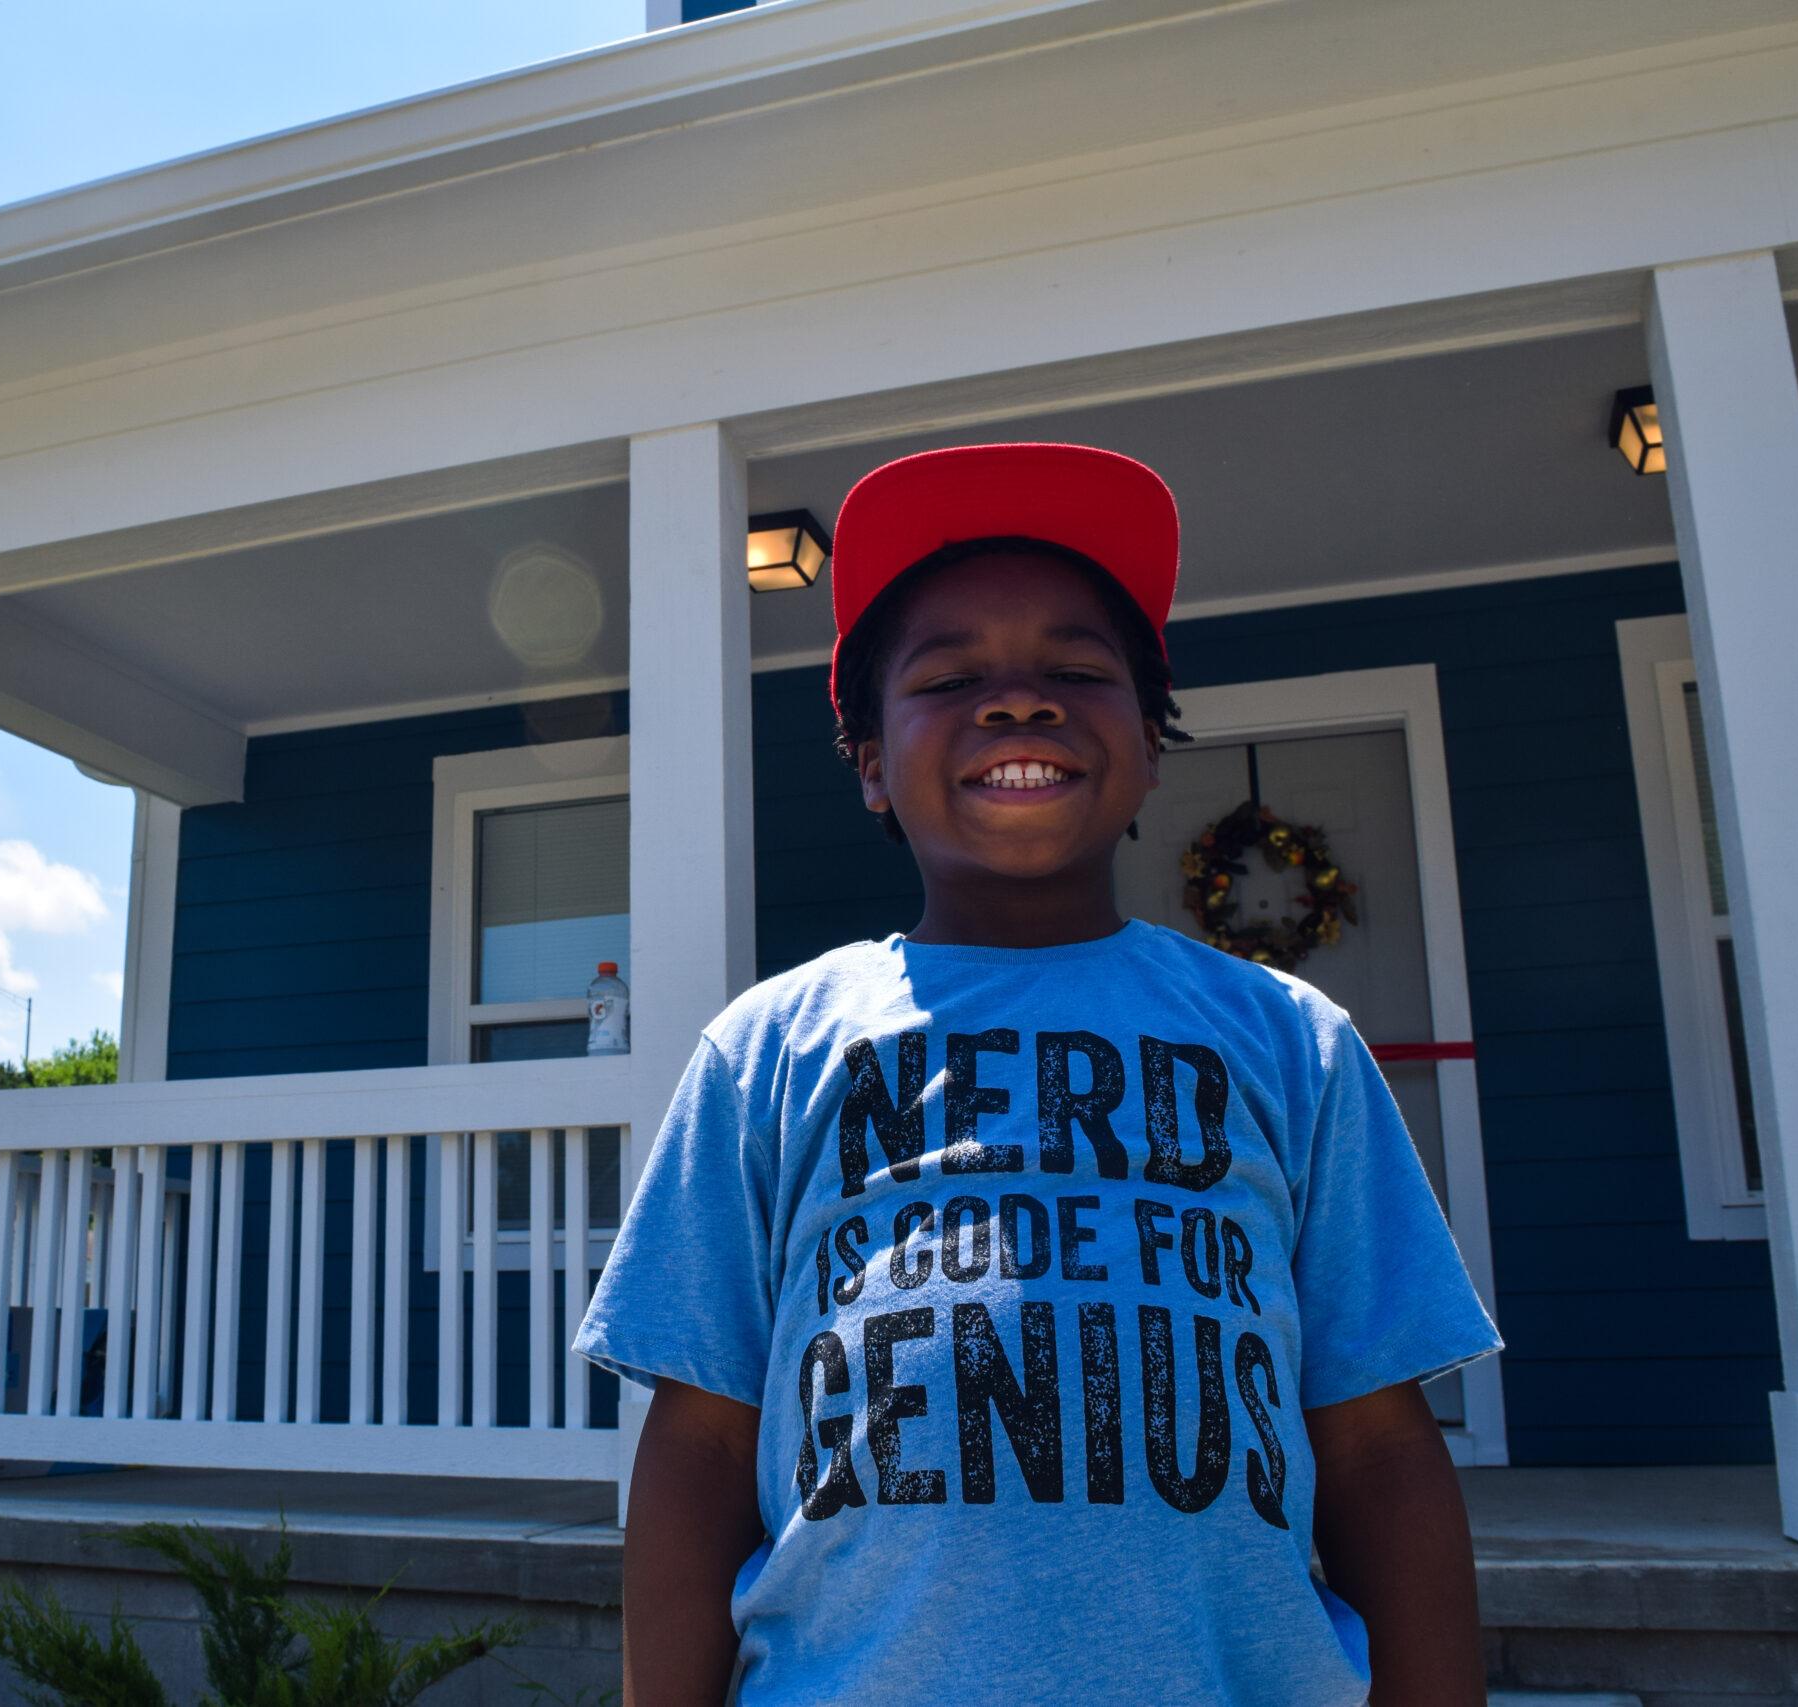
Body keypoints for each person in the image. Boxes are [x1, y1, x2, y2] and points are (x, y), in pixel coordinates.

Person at [573, 443, 1502, 1706]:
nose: (1018, 704)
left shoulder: (1291, 1039)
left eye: (1075, 671)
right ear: (866, 764)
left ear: (1150, 747)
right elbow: (696, 1444)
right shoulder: (768, 1052)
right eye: (950, 678)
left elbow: (1381, 1445)